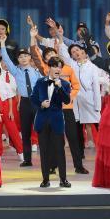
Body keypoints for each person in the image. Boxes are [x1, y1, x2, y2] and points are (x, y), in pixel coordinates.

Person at [30, 57, 72, 188]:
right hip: (42, 120)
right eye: (55, 66)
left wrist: (60, 87)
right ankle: (45, 179)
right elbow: (33, 98)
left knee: (60, 151)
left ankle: (63, 179)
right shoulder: (40, 82)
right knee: (44, 151)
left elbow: (67, 100)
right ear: (49, 68)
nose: (57, 69)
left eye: (60, 67)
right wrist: (41, 104)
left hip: (56, 120)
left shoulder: (65, 84)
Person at [1, 42, 42, 167]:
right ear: (18, 60)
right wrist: (2, 43)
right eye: (20, 57)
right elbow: (6, 60)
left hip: (36, 102)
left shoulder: (37, 71)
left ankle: (46, 158)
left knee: (42, 130)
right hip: (24, 102)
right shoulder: (16, 71)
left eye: (25, 56)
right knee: (25, 132)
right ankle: (27, 159)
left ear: (30, 57)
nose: (23, 58)